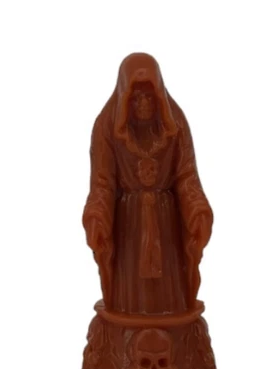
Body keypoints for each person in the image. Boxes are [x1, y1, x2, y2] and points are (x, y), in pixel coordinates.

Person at [83, 53, 212, 315]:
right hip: (129, 226)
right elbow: (102, 183)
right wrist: (97, 215)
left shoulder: (176, 125)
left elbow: (186, 176)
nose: (143, 104)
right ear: (125, 98)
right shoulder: (106, 126)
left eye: (149, 97)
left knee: (169, 295)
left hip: (166, 225)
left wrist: (197, 210)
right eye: (136, 98)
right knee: (130, 297)